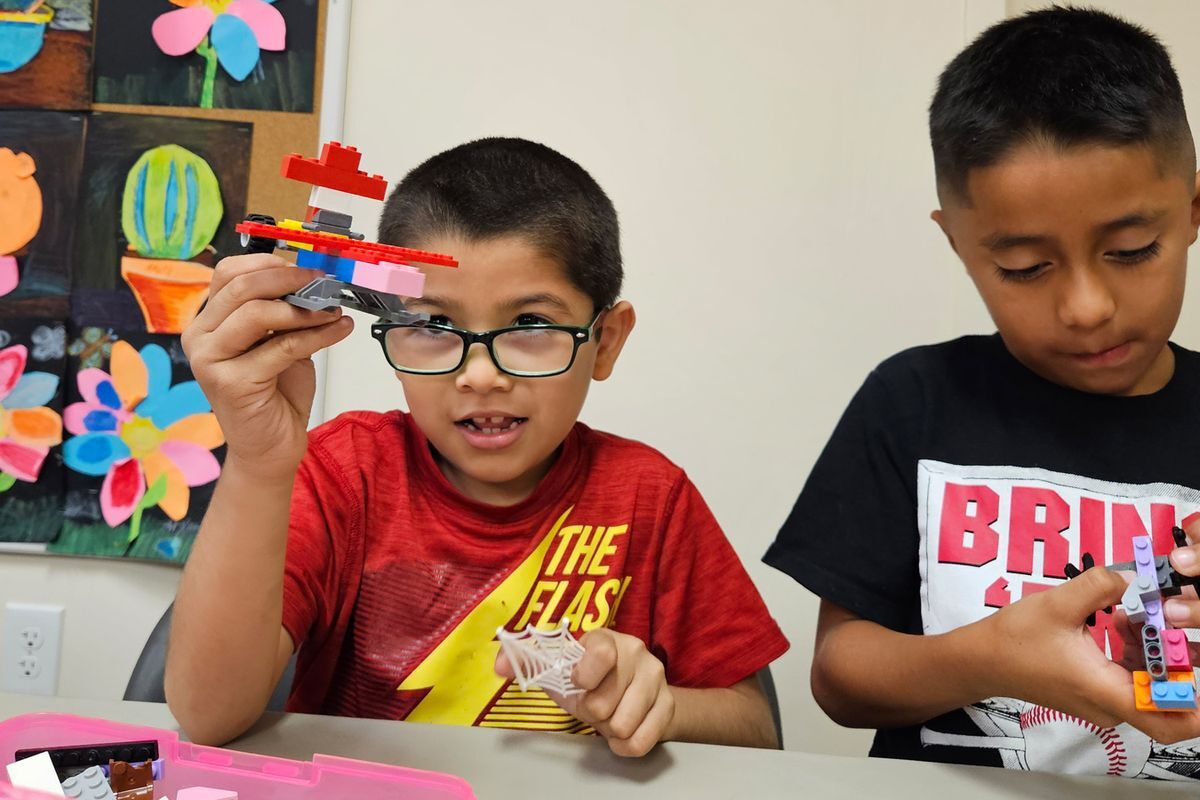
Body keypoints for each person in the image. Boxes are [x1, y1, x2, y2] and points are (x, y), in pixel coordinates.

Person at [167, 137, 788, 755]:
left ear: (606, 341)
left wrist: (660, 704)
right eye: (434, 325)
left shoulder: (652, 497)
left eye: (532, 326)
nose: (482, 374)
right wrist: (258, 462)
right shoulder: (342, 471)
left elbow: (754, 729)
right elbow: (208, 717)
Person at [766, 7, 1200, 781]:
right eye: (1028, 268)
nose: (1087, 306)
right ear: (959, 245)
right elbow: (839, 676)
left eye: (1132, 251)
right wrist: (990, 661)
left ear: (1193, 211)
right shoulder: (913, 400)